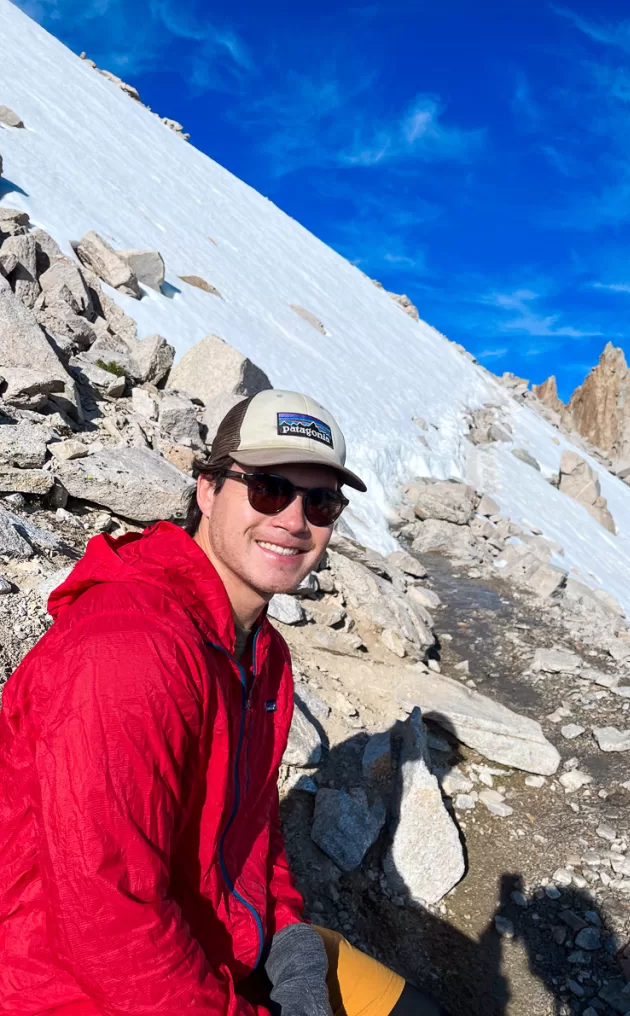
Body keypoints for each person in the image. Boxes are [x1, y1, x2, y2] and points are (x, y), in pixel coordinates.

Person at [0, 390, 448, 1016]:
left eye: (320, 502)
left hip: (219, 949)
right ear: (208, 489)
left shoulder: (263, 655)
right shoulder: (129, 649)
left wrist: (290, 939)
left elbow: (251, 826)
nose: (295, 520)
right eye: (268, 488)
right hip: (75, 989)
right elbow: (108, 917)